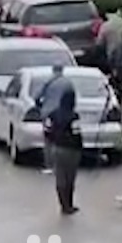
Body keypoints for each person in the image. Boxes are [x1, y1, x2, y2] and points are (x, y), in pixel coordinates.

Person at [43, 86, 83, 215]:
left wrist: (54, 140)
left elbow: (47, 130)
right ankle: (69, 204)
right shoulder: (74, 116)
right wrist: (81, 147)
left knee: (60, 177)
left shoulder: (53, 114)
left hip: (57, 148)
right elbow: (77, 134)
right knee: (70, 178)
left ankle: (63, 205)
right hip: (72, 150)